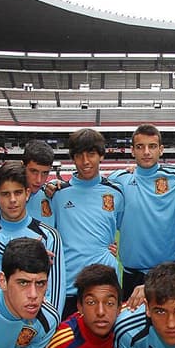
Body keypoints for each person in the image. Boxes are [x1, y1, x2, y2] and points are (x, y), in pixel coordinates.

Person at [109, 124, 175, 300]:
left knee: (168, 325)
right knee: (132, 325)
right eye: (140, 147)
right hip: (132, 274)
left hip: (167, 273)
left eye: (152, 146)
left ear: (161, 150)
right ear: (132, 151)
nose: (146, 152)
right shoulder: (119, 179)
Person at [0, 163, 64, 311]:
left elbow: (56, 296)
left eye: (18, 193)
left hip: (33, 327)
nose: (12, 200)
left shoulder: (48, 236)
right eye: (6, 194)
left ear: (27, 194)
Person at [52, 128, 124, 313]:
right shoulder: (58, 195)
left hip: (105, 284)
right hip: (69, 286)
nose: (85, 161)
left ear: (101, 155)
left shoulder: (116, 193)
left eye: (91, 154)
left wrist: (112, 248)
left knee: (106, 341)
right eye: (79, 155)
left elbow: (126, 230)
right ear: (73, 158)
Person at [22, 139, 57, 229]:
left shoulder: (52, 194)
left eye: (45, 173)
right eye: (34, 171)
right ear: (23, 166)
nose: (39, 180)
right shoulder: (7, 198)